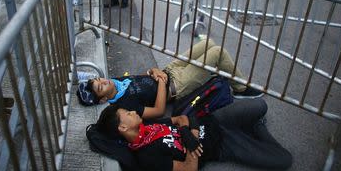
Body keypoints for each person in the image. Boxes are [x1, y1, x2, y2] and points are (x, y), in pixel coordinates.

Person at [96, 98, 292, 171]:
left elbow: (182, 118)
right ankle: (256, 128)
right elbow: (190, 168)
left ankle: (250, 128)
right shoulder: (146, 156)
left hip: (215, 121)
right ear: (122, 127)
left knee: (260, 105)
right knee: (284, 160)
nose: (132, 112)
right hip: (222, 146)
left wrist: (189, 134)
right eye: (127, 114)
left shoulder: (148, 127)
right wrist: (191, 138)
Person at [80, 39, 264, 119]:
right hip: (176, 85)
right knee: (217, 53)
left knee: (208, 43)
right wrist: (161, 82)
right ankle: (240, 89)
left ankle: (215, 73)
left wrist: (153, 71)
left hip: (169, 70)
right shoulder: (124, 105)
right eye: (100, 88)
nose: (104, 82)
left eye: (99, 80)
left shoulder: (115, 82)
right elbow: (159, 111)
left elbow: (141, 76)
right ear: (103, 99)